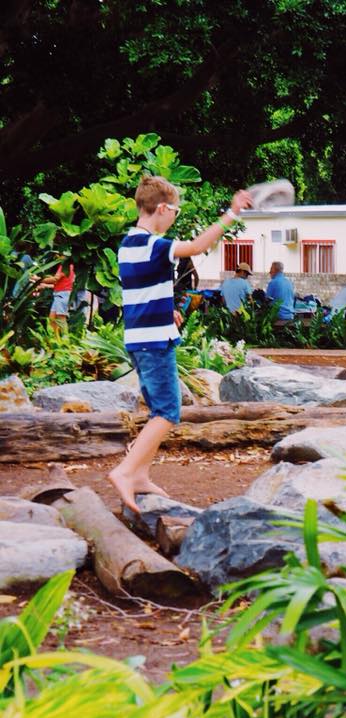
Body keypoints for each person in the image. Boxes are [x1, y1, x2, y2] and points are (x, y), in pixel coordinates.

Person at [108, 175, 252, 514]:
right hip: (154, 343)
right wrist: (231, 214)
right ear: (161, 208)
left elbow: (140, 293)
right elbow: (197, 247)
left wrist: (167, 310)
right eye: (175, 209)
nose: (176, 215)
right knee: (168, 412)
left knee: (160, 409)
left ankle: (140, 475)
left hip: (141, 338)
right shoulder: (155, 245)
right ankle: (126, 471)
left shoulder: (128, 243)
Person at [41, 260, 75, 333]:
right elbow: (59, 283)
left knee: (61, 318)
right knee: (52, 318)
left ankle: (65, 339)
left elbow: (55, 279)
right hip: (60, 294)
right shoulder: (70, 266)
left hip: (63, 294)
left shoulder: (65, 266)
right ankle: (55, 338)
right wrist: (45, 285)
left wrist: (39, 280)